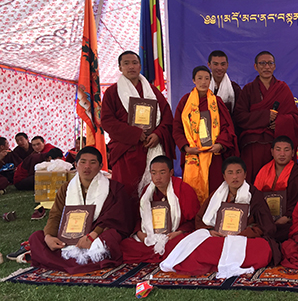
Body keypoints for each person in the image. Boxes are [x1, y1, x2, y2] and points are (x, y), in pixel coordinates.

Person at [160, 157, 280, 277]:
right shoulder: (216, 195)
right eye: (230, 173)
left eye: (238, 172)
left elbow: (265, 225)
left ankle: (214, 262)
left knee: (263, 248)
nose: (234, 177)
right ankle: (218, 262)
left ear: (245, 174)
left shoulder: (255, 195)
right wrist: (211, 231)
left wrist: (242, 233)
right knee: (181, 243)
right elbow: (201, 219)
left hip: (243, 237)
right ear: (224, 176)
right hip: (218, 236)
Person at [28, 146, 135, 274]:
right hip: (68, 236)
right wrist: (49, 236)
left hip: (96, 235)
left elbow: (115, 218)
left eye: (93, 162)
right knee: (36, 237)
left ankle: (60, 261)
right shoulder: (66, 188)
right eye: (83, 162)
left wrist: (93, 235)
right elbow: (56, 214)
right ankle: (81, 261)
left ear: (101, 166)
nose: (87, 166)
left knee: (110, 237)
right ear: (75, 165)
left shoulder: (113, 188)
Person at [101, 51, 175, 199]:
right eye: (126, 63)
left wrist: (158, 134)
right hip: (127, 150)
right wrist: (134, 133)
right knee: (126, 192)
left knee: (153, 191)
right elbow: (107, 121)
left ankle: (152, 221)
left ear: (140, 66)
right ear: (120, 67)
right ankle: (127, 222)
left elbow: (167, 116)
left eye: (134, 63)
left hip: (151, 147)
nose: (131, 67)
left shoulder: (152, 91)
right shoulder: (112, 92)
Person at [173, 65, 237, 204]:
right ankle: (195, 219)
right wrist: (185, 147)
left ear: (210, 81)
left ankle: (213, 219)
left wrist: (220, 144)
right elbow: (177, 128)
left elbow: (227, 127)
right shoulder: (185, 102)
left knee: (215, 189)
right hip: (193, 153)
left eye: (207, 78)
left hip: (213, 155)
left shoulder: (217, 101)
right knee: (192, 191)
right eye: (200, 78)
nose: (203, 82)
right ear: (193, 80)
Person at [233, 51, 298, 181]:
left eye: (270, 63)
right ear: (256, 66)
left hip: (275, 140)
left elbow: (295, 117)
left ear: (274, 66)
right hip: (252, 142)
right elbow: (239, 117)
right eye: (262, 63)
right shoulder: (248, 89)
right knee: (252, 178)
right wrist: (265, 116)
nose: (266, 67)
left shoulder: (283, 88)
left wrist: (280, 122)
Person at [121, 156, 200, 263]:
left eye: (162, 173)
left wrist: (179, 232)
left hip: (173, 235)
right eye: (153, 173)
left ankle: (159, 254)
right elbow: (140, 218)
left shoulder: (183, 189)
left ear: (171, 172)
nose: (157, 177)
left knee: (181, 243)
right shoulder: (147, 191)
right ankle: (163, 255)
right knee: (126, 245)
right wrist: (139, 233)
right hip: (151, 235)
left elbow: (193, 219)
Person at [254, 136, 298, 242]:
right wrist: (265, 219)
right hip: (266, 219)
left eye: (286, 150)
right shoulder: (263, 171)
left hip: (289, 220)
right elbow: (256, 198)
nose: (282, 154)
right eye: (278, 150)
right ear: (272, 152)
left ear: (293, 153)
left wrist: (287, 217)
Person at [207, 50, 242, 115]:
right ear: (209, 65)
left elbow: (239, 113)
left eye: (223, 64)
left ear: (227, 65)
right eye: (215, 64)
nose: (219, 68)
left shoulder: (234, 88)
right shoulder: (203, 87)